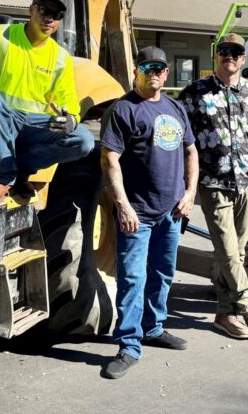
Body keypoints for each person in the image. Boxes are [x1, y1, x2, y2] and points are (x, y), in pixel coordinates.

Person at [100, 46, 198, 379]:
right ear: (136, 71)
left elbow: (191, 151)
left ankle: (153, 328)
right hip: (137, 214)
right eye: (147, 67)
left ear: (166, 73)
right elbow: (110, 160)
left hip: (171, 212)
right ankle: (129, 345)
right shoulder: (122, 110)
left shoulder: (176, 108)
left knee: (162, 273)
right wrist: (123, 205)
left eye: (159, 67)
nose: (153, 73)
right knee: (132, 279)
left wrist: (190, 193)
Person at [0, 0, 94, 202]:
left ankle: (21, 168)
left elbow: (68, 99)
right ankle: (3, 178)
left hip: (34, 127)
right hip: (1, 121)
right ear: (31, 9)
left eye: (57, 15)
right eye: (45, 10)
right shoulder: (1, 35)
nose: (50, 19)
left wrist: (71, 119)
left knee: (83, 139)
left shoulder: (60, 57)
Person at [178, 33, 248, 340]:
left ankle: (224, 313)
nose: (229, 56)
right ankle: (247, 307)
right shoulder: (194, 92)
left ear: (243, 59)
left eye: (235, 52)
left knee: (234, 252)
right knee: (228, 251)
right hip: (213, 183)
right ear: (216, 55)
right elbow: (180, 137)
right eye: (224, 51)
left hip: (246, 184)